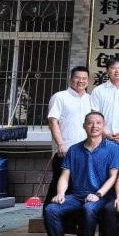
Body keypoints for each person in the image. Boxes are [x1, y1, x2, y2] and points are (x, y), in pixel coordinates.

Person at [41, 112, 119, 236]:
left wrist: (98, 194)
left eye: (98, 123)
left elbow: (113, 177)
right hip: (77, 196)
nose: (94, 126)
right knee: (51, 209)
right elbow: (64, 176)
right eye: (90, 123)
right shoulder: (74, 149)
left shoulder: (113, 148)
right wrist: (60, 193)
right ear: (84, 126)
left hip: (101, 196)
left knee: (88, 209)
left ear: (103, 126)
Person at [46, 65, 92, 205]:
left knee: (76, 187)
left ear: (88, 81)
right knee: (58, 185)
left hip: (85, 150)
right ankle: (49, 214)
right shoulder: (60, 97)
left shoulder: (90, 99)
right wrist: (60, 144)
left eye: (84, 78)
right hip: (65, 150)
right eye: (77, 78)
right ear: (70, 79)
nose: (81, 81)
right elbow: (53, 121)